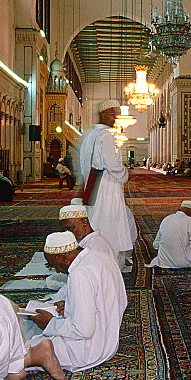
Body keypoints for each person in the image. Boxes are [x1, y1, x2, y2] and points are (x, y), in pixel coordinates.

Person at [26, 232, 128, 373]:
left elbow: (83, 330)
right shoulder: (100, 257)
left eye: (52, 265)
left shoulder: (80, 273)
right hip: (108, 340)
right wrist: (71, 305)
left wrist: (50, 323)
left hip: (86, 349)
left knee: (18, 352)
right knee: (30, 328)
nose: (56, 270)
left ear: (62, 257)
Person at [78, 99, 137, 273]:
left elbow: (84, 162)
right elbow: (113, 165)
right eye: (112, 114)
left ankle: (93, 254)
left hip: (93, 181)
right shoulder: (106, 135)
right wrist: (125, 174)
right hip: (108, 183)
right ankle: (110, 261)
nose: (115, 118)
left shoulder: (90, 135)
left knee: (95, 217)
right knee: (110, 220)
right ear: (103, 114)